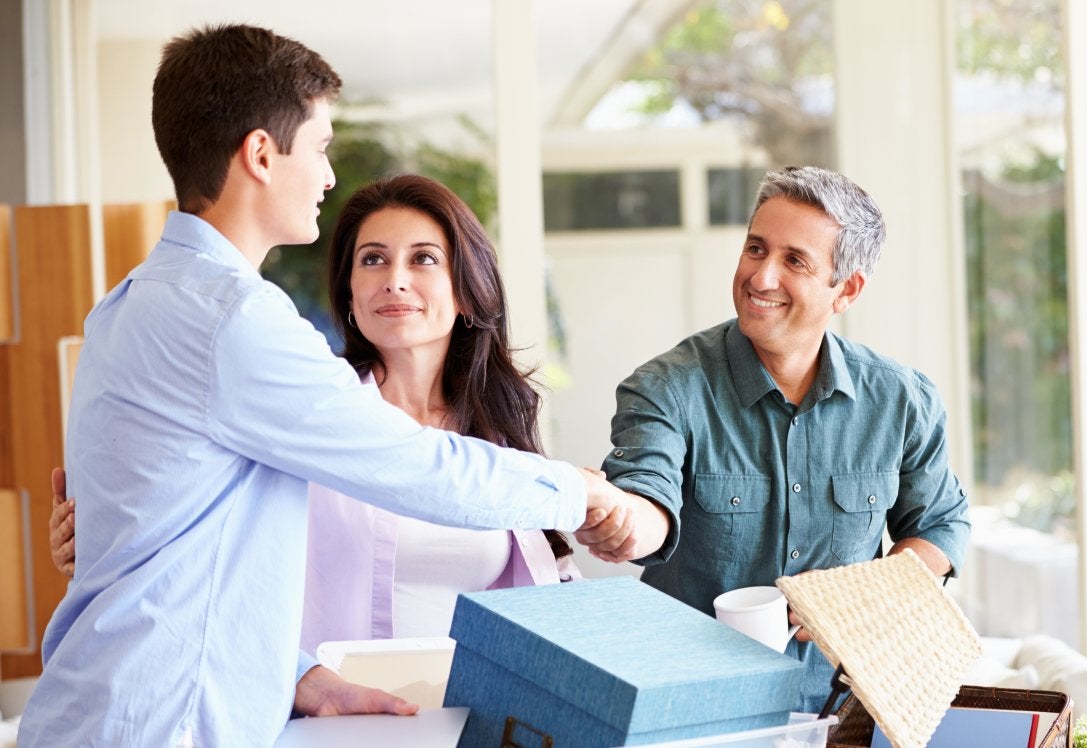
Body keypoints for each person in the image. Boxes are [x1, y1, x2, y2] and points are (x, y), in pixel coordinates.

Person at [20, 25, 631, 748]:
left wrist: (300, 675)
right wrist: (582, 491)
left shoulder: (127, 306)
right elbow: (411, 464)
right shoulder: (233, 320)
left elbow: (185, 547)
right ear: (260, 154)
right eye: (320, 147)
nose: (329, 176)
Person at [48, 174, 587, 650]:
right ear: (349, 294)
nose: (395, 279)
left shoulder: (497, 429)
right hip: (325, 721)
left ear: (466, 293)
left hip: (472, 719)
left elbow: (551, 585)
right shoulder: (294, 414)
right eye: (372, 259)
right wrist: (104, 540)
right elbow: (193, 520)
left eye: (423, 258)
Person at [592, 166, 972, 712]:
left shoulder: (902, 399)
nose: (761, 277)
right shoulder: (665, 387)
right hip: (688, 709)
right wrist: (624, 521)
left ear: (847, 290)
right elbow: (645, 492)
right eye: (755, 249)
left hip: (842, 709)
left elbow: (940, 523)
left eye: (794, 260)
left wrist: (868, 593)